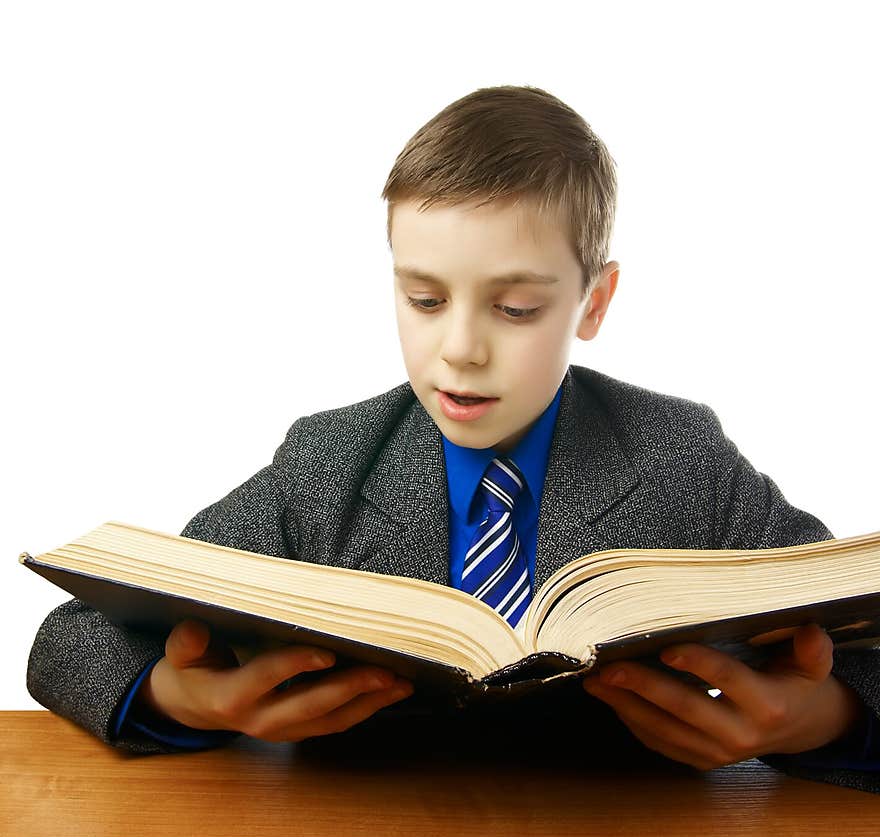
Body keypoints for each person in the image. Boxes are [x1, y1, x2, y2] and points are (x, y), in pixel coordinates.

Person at [26, 85, 880, 792]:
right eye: (425, 300)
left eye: (515, 309)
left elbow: (857, 646)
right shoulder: (325, 465)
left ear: (594, 302)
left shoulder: (683, 460)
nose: (461, 349)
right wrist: (184, 699)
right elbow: (71, 638)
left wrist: (827, 718)